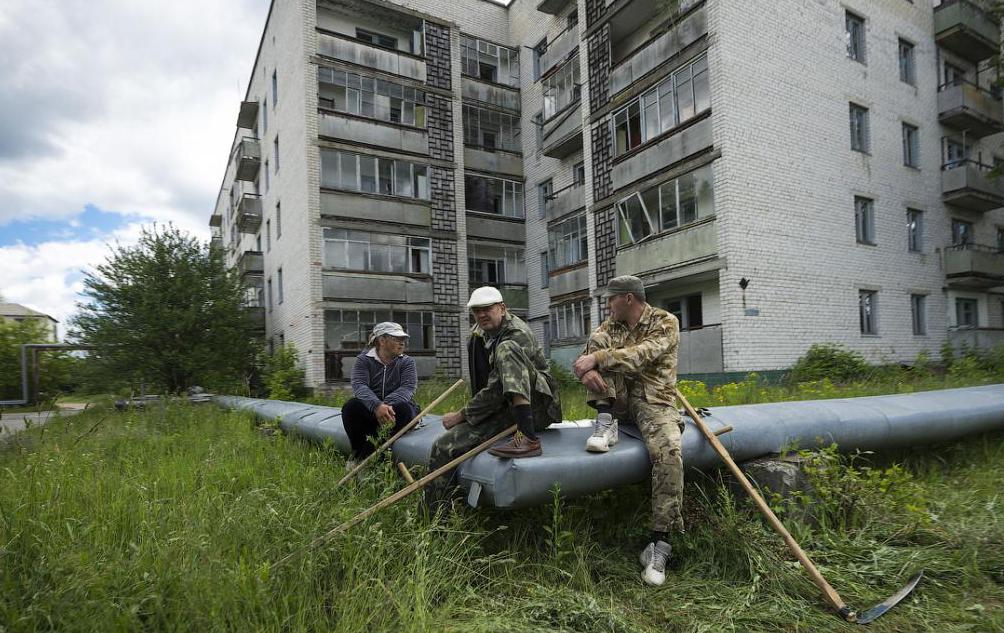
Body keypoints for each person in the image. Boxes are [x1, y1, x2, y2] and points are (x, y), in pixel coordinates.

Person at [572, 275, 682, 587]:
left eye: (611, 299)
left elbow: (641, 355)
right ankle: (606, 422)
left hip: (654, 402)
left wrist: (598, 360)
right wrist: (588, 370)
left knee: (670, 452)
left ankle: (659, 545)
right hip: (618, 402)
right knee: (597, 348)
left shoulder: (665, 322)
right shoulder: (609, 327)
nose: (608, 305)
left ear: (628, 298)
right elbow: (582, 360)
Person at [424, 286, 562, 508]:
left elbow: (498, 388)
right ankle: (437, 514)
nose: (481, 315)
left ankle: (527, 438)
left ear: (502, 308)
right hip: (506, 407)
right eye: (476, 311)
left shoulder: (516, 334)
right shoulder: (483, 335)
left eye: (487, 309)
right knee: (443, 446)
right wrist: (474, 416)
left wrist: (463, 415)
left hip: (537, 407)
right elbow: (486, 384)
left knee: (507, 349)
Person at [341, 322, 419, 468]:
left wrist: (385, 406)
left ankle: (363, 458)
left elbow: (408, 388)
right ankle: (358, 452)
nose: (402, 342)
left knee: (406, 410)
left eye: (403, 339)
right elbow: (359, 385)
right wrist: (376, 406)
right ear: (382, 341)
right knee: (350, 407)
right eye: (396, 338)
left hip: (395, 410)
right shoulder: (363, 360)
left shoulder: (407, 362)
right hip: (371, 409)